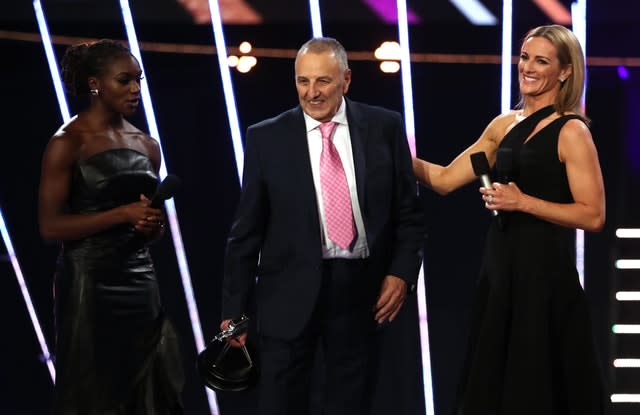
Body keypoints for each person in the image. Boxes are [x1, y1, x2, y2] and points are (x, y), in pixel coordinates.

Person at [220, 37, 424, 415]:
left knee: (351, 403)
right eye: (303, 82)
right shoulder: (266, 137)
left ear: (346, 80)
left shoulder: (384, 127)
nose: (312, 93)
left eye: (323, 82)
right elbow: (246, 231)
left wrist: (401, 273)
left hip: (360, 292)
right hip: (286, 292)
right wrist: (235, 310)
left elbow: (408, 215)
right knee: (280, 404)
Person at [413, 25, 607, 414]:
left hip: (546, 275)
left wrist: (523, 201)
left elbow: (594, 214)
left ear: (565, 71)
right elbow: (446, 180)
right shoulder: (503, 125)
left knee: (539, 381)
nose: (528, 67)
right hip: (501, 268)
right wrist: (383, 147)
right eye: (524, 57)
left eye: (541, 60)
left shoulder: (572, 131)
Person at [38, 39, 183, 414]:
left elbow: (147, 225)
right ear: (95, 84)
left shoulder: (147, 145)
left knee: (153, 387)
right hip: (89, 284)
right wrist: (121, 215)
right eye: (124, 80)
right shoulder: (68, 143)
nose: (135, 89)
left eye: (139, 80)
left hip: (140, 280)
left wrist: (152, 227)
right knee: (96, 393)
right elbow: (50, 226)